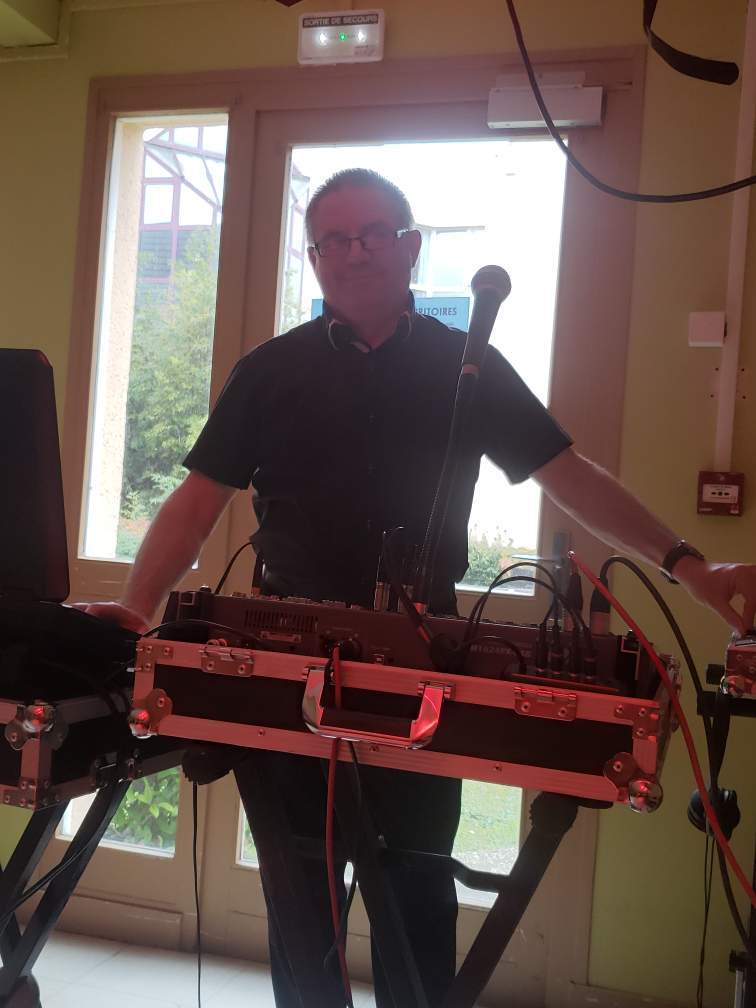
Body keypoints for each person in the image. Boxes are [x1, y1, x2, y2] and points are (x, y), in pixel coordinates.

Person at [80, 168, 756, 1006]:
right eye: (333, 239)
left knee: (417, 904)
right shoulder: (270, 370)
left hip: (425, 668)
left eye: (372, 234)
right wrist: (137, 606)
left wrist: (692, 568)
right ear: (315, 258)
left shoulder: (464, 363)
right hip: (285, 671)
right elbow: (196, 502)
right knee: (301, 912)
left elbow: (569, 475)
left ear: (411, 247)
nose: (354, 252)